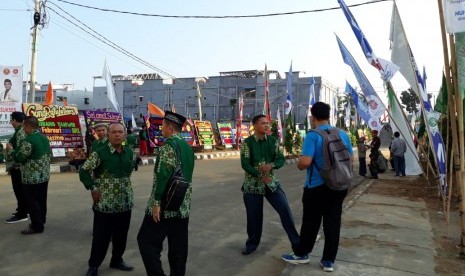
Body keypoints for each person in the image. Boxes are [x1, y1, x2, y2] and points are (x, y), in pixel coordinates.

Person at [281, 102, 354, 272]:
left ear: (312, 117)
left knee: (311, 222)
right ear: (329, 115)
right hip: (339, 186)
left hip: (317, 187)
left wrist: (299, 163)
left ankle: (301, 254)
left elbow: (305, 162)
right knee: (333, 222)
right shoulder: (343, 134)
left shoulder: (313, 136)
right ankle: (328, 261)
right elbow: (350, 159)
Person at [137, 111, 195, 276]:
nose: (162, 129)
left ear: (170, 128)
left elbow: (162, 176)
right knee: (178, 246)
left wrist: (156, 203)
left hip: (165, 205)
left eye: (163, 126)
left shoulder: (168, 146)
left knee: (146, 241)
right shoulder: (187, 147)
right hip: (182, 205)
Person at [238, 114, 300, 256]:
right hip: (252, 186)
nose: (267, 125)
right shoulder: (247, 143)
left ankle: (297, 244)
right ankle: (252, 244)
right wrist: (260, 176)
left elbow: (280, 159)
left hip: (272, 184)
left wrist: (271, 166)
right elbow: (245, 164)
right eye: (263, 123)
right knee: (254, 218)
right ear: (255, 126)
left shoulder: (273, 141)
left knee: (285, 211)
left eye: (268, 123)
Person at [79, 123, 135, 276]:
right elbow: (84, 171)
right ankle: (94, 265)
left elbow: (129, 171)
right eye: (114, 132)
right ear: (108, 135)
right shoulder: (100, 153)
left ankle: (117, 260)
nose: (117, 135)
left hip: (124, 203)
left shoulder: (129, 153)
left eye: (120, 132)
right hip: (105, 204)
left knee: (121, 236)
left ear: (124, 134)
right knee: (101, 237)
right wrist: (93, 187)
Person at [8, 116, 51, 234]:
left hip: (31, 177)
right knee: (42, 201)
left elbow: (19, 158)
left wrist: (10, 150)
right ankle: (41, 221)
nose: (23, 130)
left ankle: (36, 226)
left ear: (28, 126)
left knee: (33, 203)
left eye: (24, 127)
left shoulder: (29, 140)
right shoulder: (44, 138)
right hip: (44, 176)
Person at [4, 111, 28, 224]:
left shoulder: (20, 132)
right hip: (17, 164)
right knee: (20, 189)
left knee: (19, 189)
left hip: (17, 165)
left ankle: (22, 214)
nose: (10, 122)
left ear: (14, 120)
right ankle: (23, 209)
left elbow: (20, 150)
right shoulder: (20, 131)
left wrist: (17, 163)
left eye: (11, 120)